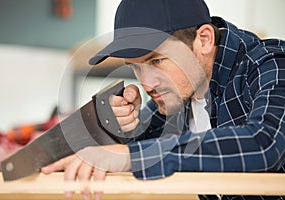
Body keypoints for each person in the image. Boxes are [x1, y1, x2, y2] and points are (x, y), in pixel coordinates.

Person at [42, 0, 285, 199]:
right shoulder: (179, 91)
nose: (147, 83)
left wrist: (130, 156)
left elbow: (265, 142)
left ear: (204, 40)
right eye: (136, 67)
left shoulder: (271, 65)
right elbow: (138, 147)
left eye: (156, 61)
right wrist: (122, 128)